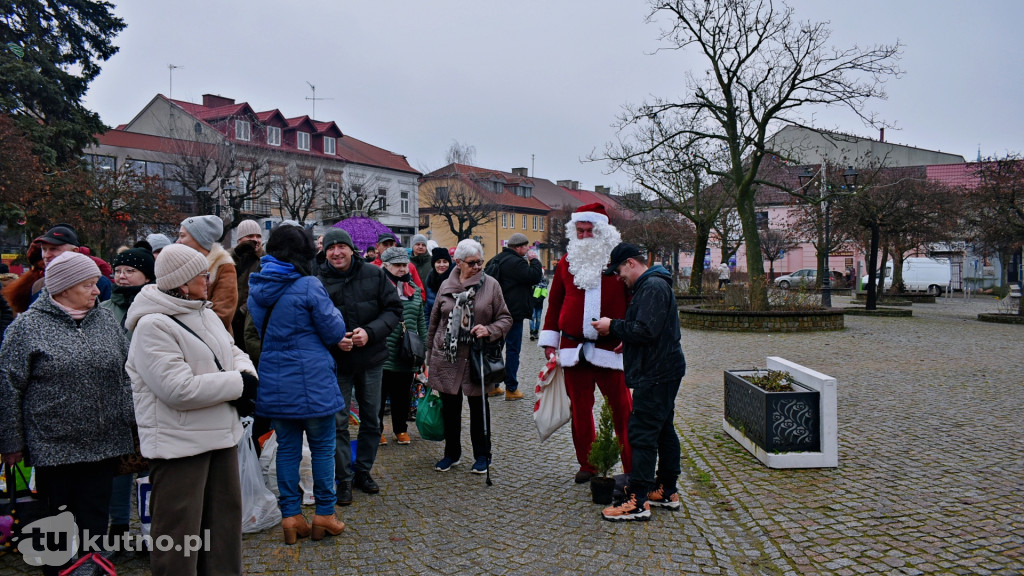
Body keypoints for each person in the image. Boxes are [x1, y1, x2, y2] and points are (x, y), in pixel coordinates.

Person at [125, 244, 256, 576]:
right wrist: (239, 384)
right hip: (180, 447)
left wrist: (245, 375)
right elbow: (177, 389)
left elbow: (234, 352)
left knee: (223, 530)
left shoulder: (204, 312)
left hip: (221, 437)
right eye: (203, 274)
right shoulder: (153, 326)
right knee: (180, 538)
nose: (208, 279)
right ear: (183, 283)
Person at [0, 252, 134, 576]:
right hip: (55, 448)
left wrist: (133, 423)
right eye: (88, 284)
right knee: (58, 530)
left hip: (104, 445)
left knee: (93, 527)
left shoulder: (103, 320)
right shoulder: (28, 327)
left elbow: (126, 372)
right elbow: (7, 387)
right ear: (63, 288)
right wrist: (10, 443)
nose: (97, 290)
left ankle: (92, 571)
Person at [247, 225, 349, 544]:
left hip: (276, 379)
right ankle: (325, 515)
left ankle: (291, 518)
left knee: (287, 450)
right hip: (313, 379)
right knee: (322, 447)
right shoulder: (308, 285)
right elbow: (334, 331)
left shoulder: (257, 286)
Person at [538, 203, 633, 484]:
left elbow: (633, 301)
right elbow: (554, 302)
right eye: (580, 231)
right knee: (580, 410)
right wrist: (549, 339)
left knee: (622, 410)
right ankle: (588, 464)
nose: (584, 236)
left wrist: (629, 336)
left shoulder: (619, 262)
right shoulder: (567, 262)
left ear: (602, 231)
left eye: (589, 231)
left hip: (611, 348)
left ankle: (630, 467)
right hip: (572, 349)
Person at [592, 243, 686, 522]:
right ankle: (666, 490)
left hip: (656, 373)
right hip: (662, 368)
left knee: (643, 433)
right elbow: (649, 329)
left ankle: (637, 500)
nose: (619, 277)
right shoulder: (652, 285)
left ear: (631, 263)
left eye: (620, 270)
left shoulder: (652, 287)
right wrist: (628, 341)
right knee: (663, 430)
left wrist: (614, 326)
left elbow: (645, 329)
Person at [317, 228, 402, 504]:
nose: (336, 252)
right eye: (331, 247)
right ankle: (343, 478)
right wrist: (334, 340)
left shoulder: (375, 274)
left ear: (352, 249)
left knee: (372, 420)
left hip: (371, 359)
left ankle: (362, 470)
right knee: (339, 422)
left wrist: (370, 332)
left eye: (342, 246)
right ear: (324, 251)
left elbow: (393, 311)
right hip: (337, 363)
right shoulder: (316, 280)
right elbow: (309, 322)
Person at [426, 239, 512, 474]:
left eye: (480, 262)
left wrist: (489, 330)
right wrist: (428, 355)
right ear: (459, 263)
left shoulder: (491, 285)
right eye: (472, 263)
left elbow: (505, 318)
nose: (477, 267)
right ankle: (451, 454)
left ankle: (483, 456)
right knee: (450, 409)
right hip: (448, 357)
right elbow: (434, 321)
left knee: (479, 409)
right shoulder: (446, 285)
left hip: (477, 357)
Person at [100, 247, 156, 541]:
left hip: (147, 399)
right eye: (118, 270)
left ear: (147, 276)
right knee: (118, 468)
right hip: (114, 402)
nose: (121, 276)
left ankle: (149, 530)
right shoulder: (103, 310)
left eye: (130, 271)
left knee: (147, 467)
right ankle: (119, 526)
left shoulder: (154, 308)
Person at [484, 232, 543, 400]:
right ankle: (511, 388)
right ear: (518, 247)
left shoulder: (497, 258)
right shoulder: (516, 262)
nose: (528, 249)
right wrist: (535, 260)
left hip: (496, 312)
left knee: (495, 349)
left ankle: (492, 385)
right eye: (526, 246)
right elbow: (534, 276)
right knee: (513, 350)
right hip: (513, 314)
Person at [378, 247, 427, 445]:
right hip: (383, 350)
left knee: (402, 394)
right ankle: (377, 429)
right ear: (387, 266)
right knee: (379, 395)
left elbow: (420, 320)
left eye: (404, 265)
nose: (402, 269)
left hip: (408, 350)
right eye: (397, 265)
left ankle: (400, 429)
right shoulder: (377, 288)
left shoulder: (413, 290)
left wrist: (424, 348)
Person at [177, 215, 238, 334]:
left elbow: (223, 313)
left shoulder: (223, 266)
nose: (178, 241)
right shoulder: (181, 265)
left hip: (213, 338)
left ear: (199, 239)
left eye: (182, 236)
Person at [30, 224, 112, 303]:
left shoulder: (100, 283)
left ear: (75, 251)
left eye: (54, 249)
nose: (46, 255)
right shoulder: (38, 285)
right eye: (44, 249)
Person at [230, 219, 265, 352]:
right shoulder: (232, 256)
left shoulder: (264, 259)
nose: (255, 240)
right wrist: (236, 254)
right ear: (240, 240)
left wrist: (243, 310)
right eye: (250, 236)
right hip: (231, 318)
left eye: (258, 236)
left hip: (251, 319)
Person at [425, 246, 452, 314]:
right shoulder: (430, 279)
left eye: (445, 262)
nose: (442, 265)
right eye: (438, 262)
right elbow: (427, 308)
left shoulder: (454, 279)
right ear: (434, 264)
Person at [530, 276, 548, 341]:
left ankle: (536, 332)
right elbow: (529, 293)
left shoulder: (543, 283)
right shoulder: (531, 282)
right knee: (532, 317)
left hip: (539, 304)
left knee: (538, 319)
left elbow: (544, 294)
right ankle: (532, 332)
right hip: (532, 304)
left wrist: (538, 300)